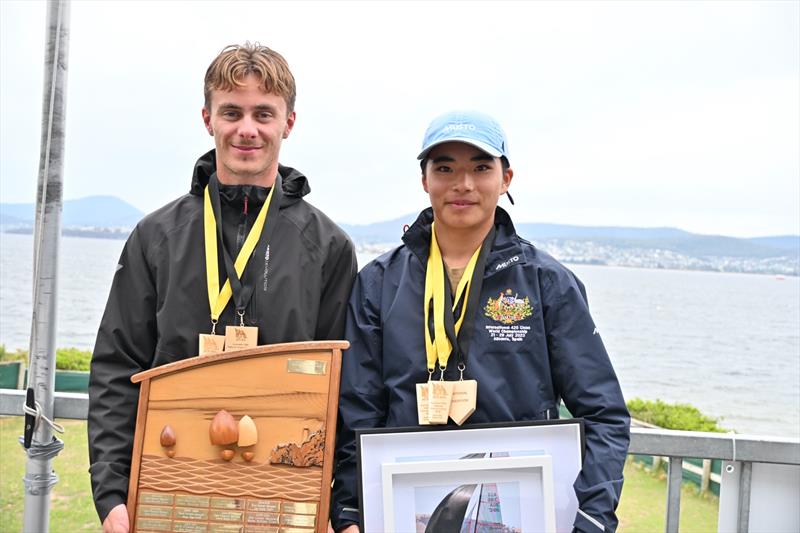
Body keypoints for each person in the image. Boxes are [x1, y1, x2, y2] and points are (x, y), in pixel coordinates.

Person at [88, 43, 357, 533]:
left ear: (288, 123)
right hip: (168, 494)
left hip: (283, 500)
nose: (246, 129)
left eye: (263, 114)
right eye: (231, 112)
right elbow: (117, 366)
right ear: (207, 118)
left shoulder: (328, 246)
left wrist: (343, 507)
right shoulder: (157, 236)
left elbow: (345, 387)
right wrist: (110, 493)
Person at [331, 111, 630, 532]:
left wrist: (592, 518)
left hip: (521, 512)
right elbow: (358, 410)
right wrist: (349, 510)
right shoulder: (378, 283)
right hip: (403, 511)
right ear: (424, 180)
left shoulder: (547, 282)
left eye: (481, 168)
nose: (463, 183)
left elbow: (604, 414)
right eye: (445, 168)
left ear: (506, 179)